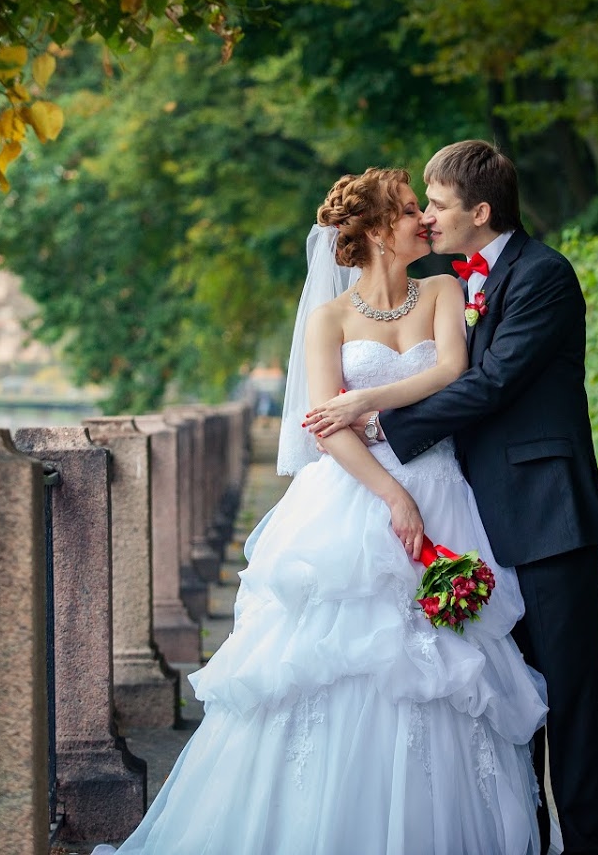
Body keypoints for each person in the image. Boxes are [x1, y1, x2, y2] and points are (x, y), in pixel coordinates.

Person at [98, 167, 548, 855]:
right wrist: (393, 494)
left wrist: (368, 400)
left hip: (442, 490)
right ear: (371, 232)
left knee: (445, 671)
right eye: (406, 211)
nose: (421, 221)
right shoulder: (328, 319)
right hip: (353, 498)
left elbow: (450, 373)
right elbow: (324, 427)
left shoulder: (442, 290)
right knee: (336, 666)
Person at [305, 141, 598, 855]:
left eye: (439, 204)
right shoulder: (458, 279)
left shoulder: (543, 275)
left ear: (480, 211)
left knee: (568, 697)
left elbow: (493, 381)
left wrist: (381, 416)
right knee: (508, 701)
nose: (429, 217)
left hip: (547, 515)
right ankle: (529, 841)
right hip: (479, 517)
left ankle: (587, 848)